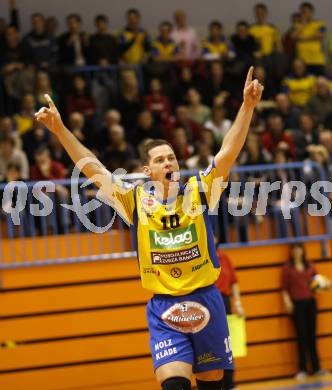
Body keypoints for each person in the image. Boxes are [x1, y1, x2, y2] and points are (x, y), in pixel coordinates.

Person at [35, 66, 263, 390]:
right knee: (174, 386)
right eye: (160, 160)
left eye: (171, 158)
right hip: (164, 307)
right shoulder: (135, 199)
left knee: (214, 385)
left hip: (207, 299)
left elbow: (227, 152)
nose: (168, 163)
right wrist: (59, 130)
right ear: (147, 169)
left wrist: (247, 107)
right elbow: (93, 168)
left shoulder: (200, 191)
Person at [281, 243, 330, 380]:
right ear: (291, 252)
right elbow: (284, 288)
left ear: (303, 251)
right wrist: (287, 302)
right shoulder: (287, 268)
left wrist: (327, 285)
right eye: (294, 249)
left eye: (299, 249)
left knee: (312, 336)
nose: (297, 252)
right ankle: (302, 369)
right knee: (301, 336)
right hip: (297, 305)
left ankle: (316, 368)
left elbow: (319, 282)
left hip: (310, 303)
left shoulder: (310, 266)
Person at [215, 248, 244, 390]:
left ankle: (230, 384)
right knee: (213, 346)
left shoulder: (224, 257)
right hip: (208, 303)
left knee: (227, 345)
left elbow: (234, 282)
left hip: (224, 302)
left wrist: (237, 304)